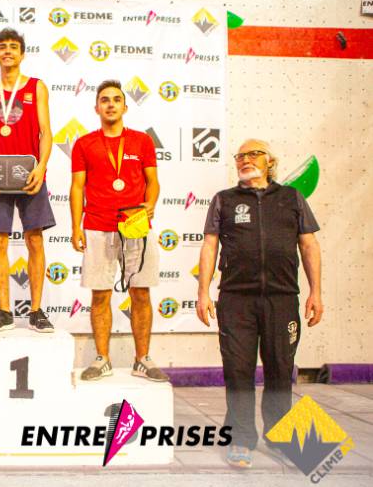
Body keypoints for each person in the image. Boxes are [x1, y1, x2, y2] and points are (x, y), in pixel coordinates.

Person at [197, 139, 323, 469]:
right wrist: (203, 292)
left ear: (270, 161)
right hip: (236, 301)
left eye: (253, 154)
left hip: (282, 300)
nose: (245, 160)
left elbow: (309, 246)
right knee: (238, 371)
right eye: (240, 156)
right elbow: (209, 246)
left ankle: (283, 438)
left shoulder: (291, 198)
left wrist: (316, 292)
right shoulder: (224, 200)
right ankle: (240, 439)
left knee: (280, 370)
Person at [70, 80, 169, 383]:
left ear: (125, 107)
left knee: (141, 293)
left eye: (116, 99)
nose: (110, 104)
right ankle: (102, 359)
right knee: (100, 295)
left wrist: (150, 204)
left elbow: (153, 181)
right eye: (104, 100)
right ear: (96, 108)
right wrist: (75, 226)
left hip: (135, 225)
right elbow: (77, 188)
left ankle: (143, 359)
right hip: (97, 225)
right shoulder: (84, 144)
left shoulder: (142, 141)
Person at [0, 28, 56, 332]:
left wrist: (42, 167)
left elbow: (46, 132)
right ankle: (5, 311)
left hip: (30, 172)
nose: (7, 51)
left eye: (13, 47)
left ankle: (36, 311)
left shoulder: (37, 87)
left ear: (22, 54)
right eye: (2, 47)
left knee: (34, 239)